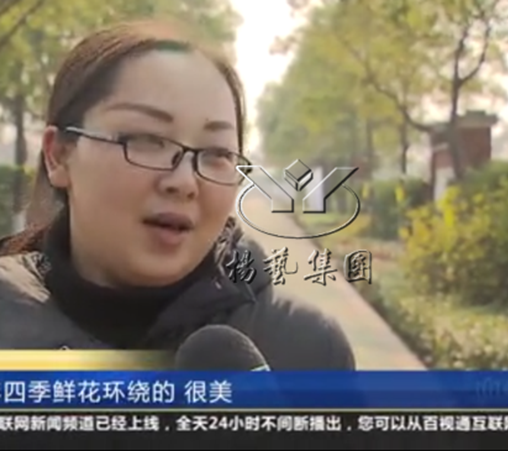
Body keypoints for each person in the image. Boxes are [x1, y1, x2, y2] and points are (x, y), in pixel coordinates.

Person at [0, 20, 355, 370]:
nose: (185, 182)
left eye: (217, 153)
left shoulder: (308, 349)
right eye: (147, 140)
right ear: (58, 155)